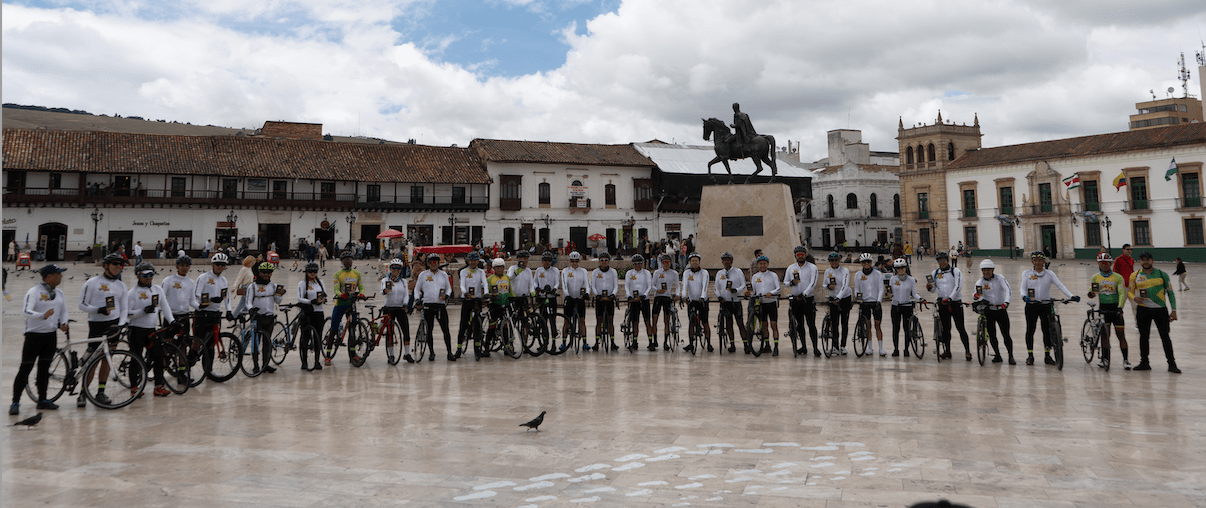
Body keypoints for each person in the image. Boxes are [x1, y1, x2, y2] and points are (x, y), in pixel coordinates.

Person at [11, 264, 70, 414]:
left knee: (44, 370)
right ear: (49, 277)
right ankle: (15, 402)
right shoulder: (34, 292)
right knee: (26, 368)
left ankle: (42, 400)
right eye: (58, 274)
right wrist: (42, 315)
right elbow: (26, 311)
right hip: (33, 336)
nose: (61, 277)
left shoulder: (60, 293)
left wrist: (64, 322)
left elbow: (64, 311)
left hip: (50, 336)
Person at [77, 253, 130, 408]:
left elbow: (124, 308)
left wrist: (120, 325)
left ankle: (101, 392)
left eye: (121, 265)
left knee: (107, 359)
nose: (118, 267)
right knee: (92, 361)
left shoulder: (121, 285)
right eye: (115, 264)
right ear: (106, 266)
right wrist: (97, 310)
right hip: (96, 325)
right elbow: (81, 305)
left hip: (113, 325)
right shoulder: (92, 282)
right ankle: (82, 393)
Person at [1018, 251, 1078, 366]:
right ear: (1032, 262)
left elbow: (1060, 285)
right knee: (1030, 329)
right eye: (1035, 260)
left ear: (1044, 262)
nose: (1038, 263)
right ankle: (1030, 355)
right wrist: (1024, 296)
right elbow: (1022, 288)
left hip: (1046, 305)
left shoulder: (1049, 273)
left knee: (1046, 330)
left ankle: (1047, 355)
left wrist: (1071, 296)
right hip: (1031, 305)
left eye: (1040, 260)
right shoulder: (1026, 273)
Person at [126, 263, 175, 396]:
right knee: (136, 358)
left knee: (159, 358)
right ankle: (134, 387)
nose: (149, 278)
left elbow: (165, 306)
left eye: (151, 275)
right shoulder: (132, 293)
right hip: (136, 330)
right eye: (145, 275)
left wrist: (172, 321)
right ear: (138, 276)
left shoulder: (157, 289)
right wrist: (142, 312)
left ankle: (158, 386)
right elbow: (127, 314)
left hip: (152, 330)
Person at [1128, 251, 1179, 373]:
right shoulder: (1134, 275)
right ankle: (1144, 362)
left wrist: (1174, 310)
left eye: (1148, 259)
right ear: (1139, 262)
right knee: (1143, 337)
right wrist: (1134, 297)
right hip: (1143, 309)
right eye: (1143, 260)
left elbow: (1170, 293)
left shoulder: (1162, 275)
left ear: (1152, 261)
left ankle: (1172, 364)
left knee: (1165, 337)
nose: (1145, 262)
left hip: (1160, 310)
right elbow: (1130, 291)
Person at [926, 251, 972, 360]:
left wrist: (950, 298)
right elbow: (933, 290)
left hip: (955, 302)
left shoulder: (955, 271)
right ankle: (947, 351)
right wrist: (929, 288)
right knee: (946, 329)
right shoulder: (935, 273)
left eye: (944, 260)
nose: (942, 262)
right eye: (939, 261)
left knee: (960, 328)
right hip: (942, 303)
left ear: (948, 260)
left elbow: (958, 286)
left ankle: (967, 351)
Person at [1088, 253, 1130, 370]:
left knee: (1121, 335)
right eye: (1101, 263)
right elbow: (1093, 291)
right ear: (1098, 264)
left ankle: (1126, 360)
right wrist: (1091, 294)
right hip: (1103, 308)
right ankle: (1104, 358)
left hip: (1115, 307)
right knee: (1105, 336)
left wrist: (1120, 307)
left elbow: (1122, 293)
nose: (1104, 265)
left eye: (1106, 263)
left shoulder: (1118, 277)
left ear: (1110, 264)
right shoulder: (1095, 277)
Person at [972, 259, 1014, 364]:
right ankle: (997, 355)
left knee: (1006, 334)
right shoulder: (980, 282)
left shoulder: (1000, 278)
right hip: (989, 311)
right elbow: (975, 294)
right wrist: (975, 296)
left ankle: (1010, 355)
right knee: (992, 334)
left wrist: (1006, 302)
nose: (986, 272)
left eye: (988, 270)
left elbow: (1008, 290)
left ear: (993, 270)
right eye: (984, 270)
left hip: (1000, 309)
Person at [414, 253, 453, 361]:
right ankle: (431, 352)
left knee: (446, 330)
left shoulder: (443, 274)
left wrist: (447, 295)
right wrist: (417, 299)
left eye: (436, 262)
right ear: (428, 263)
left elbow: (449, 288)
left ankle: (449, 352)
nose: (434, 264)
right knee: (429, 330)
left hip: (440, 305)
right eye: (432, 262)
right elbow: (416, 289)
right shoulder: (423, 275)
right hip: (427, 305)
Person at [246, 262, 284, 374]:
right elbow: (248, 301)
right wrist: (251, 310)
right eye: (264, 272)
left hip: (269, 317)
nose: (266, 275)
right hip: (257, 317)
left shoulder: (273, 286)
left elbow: (278, 301)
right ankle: (256, 365)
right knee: (255, 342)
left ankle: (265, 364)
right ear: (259, 273)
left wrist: (280, 294)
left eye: (269, 272)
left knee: (267, 341)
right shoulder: (252, 286)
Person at [328, 251, 364, 364]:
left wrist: (362, 293)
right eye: (345, 260)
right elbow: (336, 288)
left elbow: (361, 287)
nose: (348, 262)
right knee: (333, 329)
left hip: (351, 303)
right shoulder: (338, 274)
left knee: (352, 329)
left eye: (349, 260)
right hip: (340, 304)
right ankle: (328, 354)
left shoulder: (357, 273)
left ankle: (352, 355)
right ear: (342, 262)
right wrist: (340, 294)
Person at [784, 246, 818, 356]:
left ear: (805, 255)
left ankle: (815, 348)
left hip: (807, 299)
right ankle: (803, 346)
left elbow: (813, 283)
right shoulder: (791, 268)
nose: (800, 256)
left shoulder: (812, 267)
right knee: (799, 325)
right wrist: (791, 283)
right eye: (798, 255)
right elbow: (785, 282)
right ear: (795, 256)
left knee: (811, 324)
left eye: (802, 254)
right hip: (795, 299)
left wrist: (804, 294)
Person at [852, 253, 887, 356]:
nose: (866, 264)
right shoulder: (858, 275)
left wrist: (879, 301)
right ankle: (870, 347)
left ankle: (881, 348)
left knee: (877, 325)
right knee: (868, 325)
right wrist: (859, 299)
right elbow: (857, 288)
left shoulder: (877, 274)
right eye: (864, 262)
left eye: (868, 262)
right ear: (861, 263)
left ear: (871, 263)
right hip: (865, 302)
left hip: (875, 302)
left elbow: (881, 288)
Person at [296, 262, 329, 370]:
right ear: (306, 272)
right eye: (310, 271)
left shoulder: (320, 283)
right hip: (307, 312)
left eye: (315, 272)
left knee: (317, 336)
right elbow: (299, 298)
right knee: (305, 337)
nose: (312, 274)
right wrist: (311, 301)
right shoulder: (302, 283)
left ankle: (317, 361)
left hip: (318, 312)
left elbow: (324, 293)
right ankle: (304, 362)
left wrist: (323, 299)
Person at [748, 254, 782, 355]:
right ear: (758, 265)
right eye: (760, 264)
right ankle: (767, 345)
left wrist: (771, 293)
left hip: (771, 303)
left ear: (767, 264)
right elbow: (753, 291)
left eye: (764, 263)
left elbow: (779, 288)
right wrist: (749, 293)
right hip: (761, 304)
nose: (762, 265)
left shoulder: (773, 275)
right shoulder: (755, 277)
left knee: (773, 325)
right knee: (764, 325)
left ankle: (776, 346)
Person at [888, 258, 922, 357]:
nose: (901, 270)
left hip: (907, 306)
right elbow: (890, 292)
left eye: (902, 267)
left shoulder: (911, 280)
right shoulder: (893, 279)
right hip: (896, 306)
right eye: (898, 268)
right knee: (895, 328)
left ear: (906, 268)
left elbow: (914, 293)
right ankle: (896, 349)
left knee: (907, 328)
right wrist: (890, 295)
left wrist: (920, 298)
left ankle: (906, 349)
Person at [715, 251, 748, 352]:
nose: (726, 262)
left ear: (731, 261)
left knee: (740, 323)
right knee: (728, 324)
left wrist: (737, 290)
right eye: (724, 260)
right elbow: (716, 288)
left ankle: (746, 344)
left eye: (728, 260)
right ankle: (732, 344)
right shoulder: (719, 273)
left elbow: (743, 285)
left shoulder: (738, 271)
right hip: (725, 302)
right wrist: (719, 296)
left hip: (736, 301)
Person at [456, 252, 487, 359]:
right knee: (463, 324)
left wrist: (486, 293)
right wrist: (465, 293)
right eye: (471, 260)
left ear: (478, 261)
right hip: (467, 300)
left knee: (478, 326)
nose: (473, 262)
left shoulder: (481, 272)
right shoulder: (464, 272)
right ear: (468, 261)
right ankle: (459, 349)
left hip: (477, 300)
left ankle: (477, 349)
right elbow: (462, 284)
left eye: (475, 260)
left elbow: (485, 283)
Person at [823, 251, 854, 355]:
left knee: (844, 322)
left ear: (839, 260)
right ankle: (835, 346)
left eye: (836, 260)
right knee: (834, 323)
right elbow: (824, 284)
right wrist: (828, 287)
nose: (834, 262)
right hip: (833, 298)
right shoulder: (827, 271)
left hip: (844, 298)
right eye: (831, 260)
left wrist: (839, 298)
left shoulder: (845, 271)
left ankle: (843, 346)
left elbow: (845, 285)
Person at [680, 252, 711, 353]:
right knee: (691, 322)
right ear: (690, 262)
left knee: (705, 322)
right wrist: (684, 296)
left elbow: (705, 286)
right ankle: (691, 343)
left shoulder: (704, 273)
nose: (694, 262)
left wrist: (702, 297)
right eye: (692, 261)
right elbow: (684, 286)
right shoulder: (686, 273)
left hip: (702, 300)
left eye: (696, 261)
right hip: (692, 300)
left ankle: (709, 342)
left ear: (699, 262)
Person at [482, 258, 512, 358]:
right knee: (492, 326)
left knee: (505, 327)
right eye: (497, 267)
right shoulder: (490, 279)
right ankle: (486, 348)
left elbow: (510, 290)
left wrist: (513, 297)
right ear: (494, 268)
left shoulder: (507, 278)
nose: (499, 269)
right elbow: (486, 291)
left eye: (501, 267)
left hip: (505, 304)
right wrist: (491, 295)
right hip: (494, 305)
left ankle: (506, 347)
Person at [560, 251, 590, 350]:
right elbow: (564, 284)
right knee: (566, 321)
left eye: (576, 261)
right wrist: (567, 295)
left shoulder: (583, 271)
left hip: (580, 298)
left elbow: (587, 284)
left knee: (582, 321)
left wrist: (587, 293)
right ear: (569, 261)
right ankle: (564, 342)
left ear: (579, 261)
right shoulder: (565, 271)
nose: (574, 263)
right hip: (569, 298)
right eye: (572, 261)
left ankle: (585, 342)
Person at [625, 254, 655, 350]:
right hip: (634, 300)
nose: (637, 265)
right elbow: (626, 286)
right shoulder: (629, 273)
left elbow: (649, 286)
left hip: (644, 300)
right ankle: (634, 342)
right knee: (635, 322)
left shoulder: (646, 273)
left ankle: (650, 342)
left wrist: (644, 295)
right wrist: (628, 295)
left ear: (642, 264)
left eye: (639, 263)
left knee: (647, 321)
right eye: (635, 264)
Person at [161, 256, 197, 334]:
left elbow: (192, 301)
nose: (184, 268)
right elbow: (161, 298)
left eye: (187, 265)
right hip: (171, 315)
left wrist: (201, 307)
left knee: (184, 343)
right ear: (177, 266)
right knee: (168, 342)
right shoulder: (168, 280)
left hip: (185, 316)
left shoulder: (190, 282)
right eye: (182, 265)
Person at [651, 254, 680, 351]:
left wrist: (677, 294)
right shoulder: (657, 272)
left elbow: (678, 286)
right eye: (664, 262)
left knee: (666, 321)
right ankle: (654, 340)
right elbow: (652, 285)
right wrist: (657, 290)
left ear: (670, 263)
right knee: (654, 320)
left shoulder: (674, 273)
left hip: (667, 298)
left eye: (668, 262)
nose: (666, 264)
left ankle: (665, 342)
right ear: (661, 263)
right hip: (658, 297)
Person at [590, 253, 619, 350]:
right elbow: (593, 285)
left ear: (609, 261)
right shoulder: (595, 272)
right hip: (600, 299)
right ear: (599, 261)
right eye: (602, 260)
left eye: (606, 260)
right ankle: (596, 342)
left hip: (610, 298)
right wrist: (596, 295)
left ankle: (612, 342)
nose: (604, 262)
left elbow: (616, 285)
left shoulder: (613, 272)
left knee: (610, 321)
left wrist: (613, 294)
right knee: (599, 321)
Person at [533, 251, 561, 341]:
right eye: (545, 260)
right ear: (542, 261)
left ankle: (553, 341)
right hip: (542, 297)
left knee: (553, 320)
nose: (547, 262)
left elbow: (557, 282)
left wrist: (554, 289)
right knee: (543, 321)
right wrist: (536, 288)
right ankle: (544, 342)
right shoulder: (538, 270)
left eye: (549, 260)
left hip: (552, 298)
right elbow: (534, 282)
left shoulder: (555, 270)